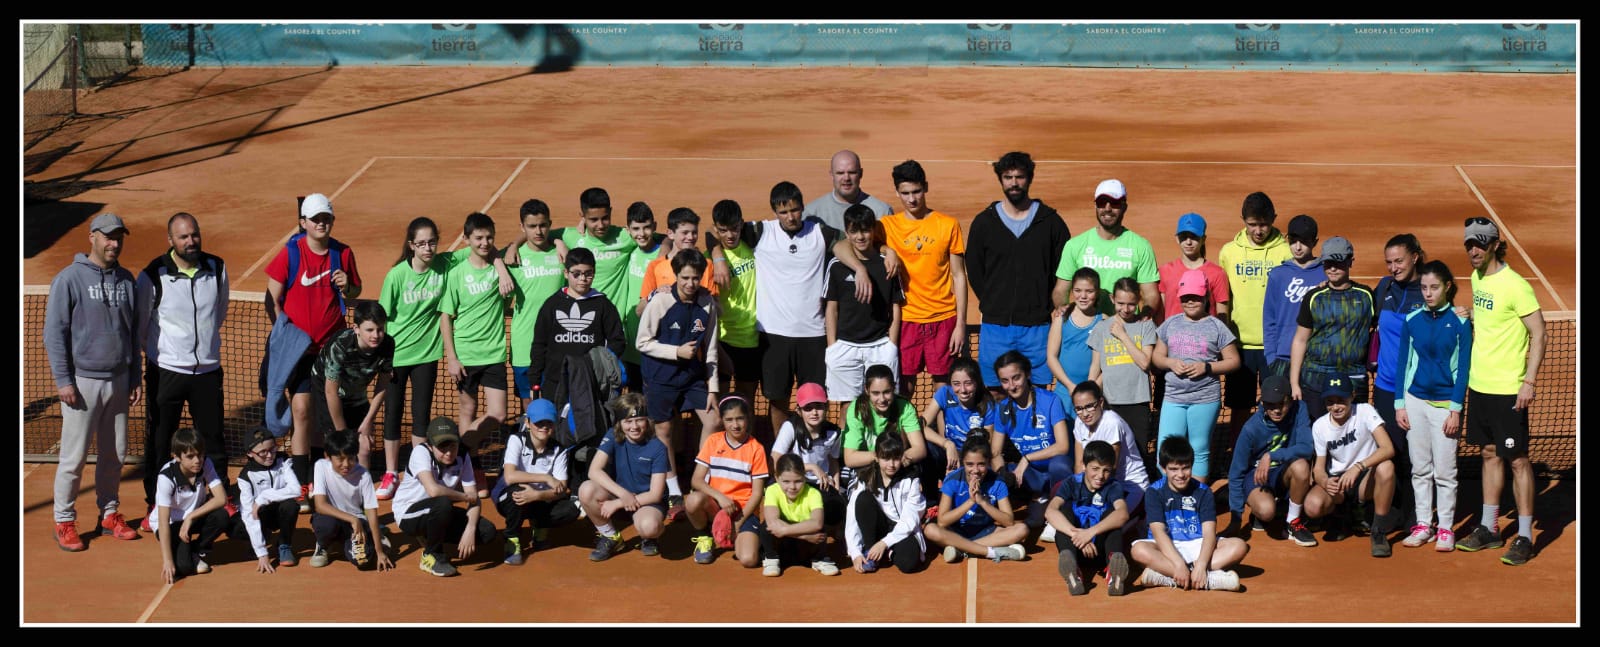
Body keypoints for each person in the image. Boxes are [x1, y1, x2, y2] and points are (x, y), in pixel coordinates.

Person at [707, 182, 877, 443]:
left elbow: (844, 244)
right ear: (775, 212)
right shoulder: (761, 231)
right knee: (778, 399)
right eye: (783, 212)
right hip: (774, 336)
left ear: (802, 207)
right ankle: (781, 451)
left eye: (795, 210)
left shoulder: (818, 231)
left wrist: (861, 268)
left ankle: (814, 449)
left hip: (814, 334)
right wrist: (718, 257)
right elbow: (715, 233)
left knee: (815, 399)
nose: (790, 217)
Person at [45, 212, 148, 551]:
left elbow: (132, 334)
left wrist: (134, 376)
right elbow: (54, 334)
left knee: (114, 454)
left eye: (118, 237)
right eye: (107, 237)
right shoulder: (69, 279)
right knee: (73, 458)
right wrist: (64, 380)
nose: (113, 243)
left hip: (118, 380)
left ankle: (109, 514)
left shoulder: (126, 280)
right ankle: (64, 520)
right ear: (92, 237)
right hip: (82, 384)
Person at [1455, 218, 1545, 566]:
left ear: (1495, 245)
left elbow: (1539, 333)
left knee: (1518, 460)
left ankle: (1524, 535)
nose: (1473, 250)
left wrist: (1529, 382)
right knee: (1489, 454)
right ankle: (1490, 528)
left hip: (1509, 389)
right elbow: (1492, 321)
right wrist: (1470, 315)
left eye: (1480, 243)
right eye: (1469, 244)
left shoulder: (1516, 286)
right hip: (1480, 385)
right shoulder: (1477, 278)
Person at [264, 194, 362, 508]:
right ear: (303, 222)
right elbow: (271, 297)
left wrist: (347, 285)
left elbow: (355, 291)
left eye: (326, 218)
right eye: (316, 219)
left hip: (331, 351)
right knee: (302, 410)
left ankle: (321, 480)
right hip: (301, 351)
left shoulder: (342, 253)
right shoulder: (291, 253)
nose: (321, 223)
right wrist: (285, 334)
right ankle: (301, 481)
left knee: (325, 415)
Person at [137, 212, 230, 531]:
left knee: (213, 438)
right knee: (160, 439)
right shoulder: (153, 274)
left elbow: (218, 312)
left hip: (207, 370)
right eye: (183, 237)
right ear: (170, 240)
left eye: (194, 234)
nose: (190, 241)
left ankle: (221, 497)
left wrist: (203, 348)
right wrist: (164, 355)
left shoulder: (217, 268)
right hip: (166, 372)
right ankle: (155, 502)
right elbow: (142, 325)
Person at [966, 151, 1070, 392]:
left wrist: (1044, 304)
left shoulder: (1051, 222)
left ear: (1029, 179)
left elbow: (1063, 270)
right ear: (1001, 180)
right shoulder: (984, 222)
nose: (1014, 183)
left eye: (1020, 177)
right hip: (996, 326)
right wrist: (993, 301)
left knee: (1039, 390)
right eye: (1008, 177)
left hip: (1038, 327)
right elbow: (974, 269)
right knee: (995, 391)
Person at [635, 247, 722, 517]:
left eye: (695, 278)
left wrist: (713, 388)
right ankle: (673, 491)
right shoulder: (660, 302)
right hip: (660, 377)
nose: (690, 284)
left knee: (713, 420)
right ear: (676, 275)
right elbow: (642, 342)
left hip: (692, 377)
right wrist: (676, 352)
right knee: (664, 431)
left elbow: (711, 348)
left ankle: (699, 480)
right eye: (685, 278)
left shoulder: (707, 303)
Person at [1393, 260, 1472, 552]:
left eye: (1434, 287)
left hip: (1445, 406)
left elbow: (1463, 370)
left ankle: (1446, 528)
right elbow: (1403, 363)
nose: (1428, 293)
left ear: (1447, 287)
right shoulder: (1412, 320)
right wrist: (1400, 404)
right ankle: (1424, 524)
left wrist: (1455, 410)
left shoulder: (1461, 323)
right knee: (1420, 468)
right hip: (1414, 401)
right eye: (1424, 288)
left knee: (1445, 472)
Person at [440, 212, 517, 491]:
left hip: (494, 353)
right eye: (478, 238)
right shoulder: (457, 274)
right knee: (467, 409)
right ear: (466, 239)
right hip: (465, 354)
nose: (485, 243)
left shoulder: (500, 271)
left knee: (498, 414)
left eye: (489, 237)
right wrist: (451, 357)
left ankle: (457, 453)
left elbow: (516, 247)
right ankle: (472, 469)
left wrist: (501, 267)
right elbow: (446, 317)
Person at [881, 159, 968, 398]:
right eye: (905, 193)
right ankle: (906, 425)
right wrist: (887, 250)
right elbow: (860, 243)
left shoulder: (948, 225)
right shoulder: (886, 226)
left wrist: (960, 324)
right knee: (904, 386)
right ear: (897, 192)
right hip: (906, 318)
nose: (912, 199)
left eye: (916, 191)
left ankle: (939, 425)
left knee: (944, 386)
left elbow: (959, 275)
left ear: (926, 187)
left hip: (943, 317)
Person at [377, 217, 450, 499]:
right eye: (421, 243)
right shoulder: (397, 275)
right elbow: (382, 317)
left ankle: (417, 472)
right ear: (411, 245)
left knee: (421, 416)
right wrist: (382, 358)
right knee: (393, 414)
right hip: (396, 355)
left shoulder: (444, 266)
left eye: (432, 242)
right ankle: (390, 473)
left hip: (427, 355)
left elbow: (475, 248)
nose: (428, 248)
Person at [1151, 269, 1241, 484]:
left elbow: (1234, 361)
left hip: (1205, 398)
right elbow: (1157, 357)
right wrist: (1170, 363)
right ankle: (1168, 493)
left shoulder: (1217, 326)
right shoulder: (1170, 324)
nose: (1190, 301)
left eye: (1196, 297)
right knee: (1165, 447)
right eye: (1186, 297)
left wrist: (1207, 367)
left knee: (1199, 448)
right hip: (1174, 397)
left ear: (1206, 296)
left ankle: (1197, 495)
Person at [1218, 192, 1292, 440]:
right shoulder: (1229, 252)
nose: (1258, 230)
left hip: (1275, 346)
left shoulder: (1285, 252)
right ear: (1243, 220)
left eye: (1264, 224)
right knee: (1239, 408)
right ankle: (1238, 452)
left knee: (1278, 406)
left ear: (1273, 219)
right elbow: (1223, 298)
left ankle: (1275, 452)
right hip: (1240, 345)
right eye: (1252, 224)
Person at [1131, 437, 1247, 592]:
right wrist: (1179, 564)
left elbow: (1209, 533)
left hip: (1197, 544)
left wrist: (1201, 564)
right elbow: (1159, 533)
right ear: (1163, 469)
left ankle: (1170, 577)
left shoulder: (1204, 492)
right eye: (1173, 469)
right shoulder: (1154, 492)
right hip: (1166, 547)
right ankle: (1207, 579)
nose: (1180, 474)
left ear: (1192, 466)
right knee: (1138, 550)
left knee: (1239, 546)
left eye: (1185, 468)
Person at [1304, 375, 1400, 557]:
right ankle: (1343, 514)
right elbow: (1318, 469)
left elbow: (1388, 448)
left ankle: (1378, 531)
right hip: (1339, 480)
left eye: (1341, 400)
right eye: (1330, 402)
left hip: (1365, 476)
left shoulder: (1365, 411)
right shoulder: (1320, 426)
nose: (1336, 407)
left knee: (1386, 467)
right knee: (1312, 506)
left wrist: (1358, 467)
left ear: (1352, 396)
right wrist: (1325, 482)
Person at [1370, 233, 1429, 527]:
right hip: (1385, 387)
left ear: (1415, 258)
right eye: (1389, 262)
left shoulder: (1429, 290)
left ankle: (1417, 512)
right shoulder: (1384, 287)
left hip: (1418, 389)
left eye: (1399, 261)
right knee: (1389, 451)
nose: (1393, 268)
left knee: (1416, 455)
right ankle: (1390, 510)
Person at [390, 417, 496, 577]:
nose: (448, 452)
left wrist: (470, 528)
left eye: (452, 446)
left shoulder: (463, 456)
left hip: (438, 510)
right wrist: (464, 497)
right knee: (443, 503)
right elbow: (434, 491)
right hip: (408, 513)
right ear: (430, 445)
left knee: (487, 532)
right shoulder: (421, 452)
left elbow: (474, 498)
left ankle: (431, 533)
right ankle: (431, 555)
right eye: (442, 447)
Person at [1289, 236, 1377, 423]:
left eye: (1338, 263)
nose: (1332, 268)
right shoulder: (1313, 296)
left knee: (1354, 434)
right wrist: (1294, 383)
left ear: (1350, 261)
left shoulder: (1366, 296)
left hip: (1354, 378)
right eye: (1328, 263)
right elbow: (1300, 340)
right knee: (1316, 432)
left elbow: (1378, 331)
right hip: (1316, 378)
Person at [987, 351, 1074, 534]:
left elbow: (1063, 446)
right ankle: (1039, 500)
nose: (1012, 386)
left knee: (1059, 464)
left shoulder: (1050, 400)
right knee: (995, 472)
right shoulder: (1002, 409)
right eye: (1005, 381)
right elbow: (995, 453)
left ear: (1027, 374)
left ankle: (1057, 511)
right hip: (1033, 476)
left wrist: (1027, 458)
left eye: (1016, 377)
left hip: (1058, 472)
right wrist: (1003, 474)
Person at [825, 204, 905, 403]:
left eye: (865, 231)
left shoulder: (888, 264)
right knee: (848, 406)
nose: (860, 237)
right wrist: (833, 346)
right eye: (854, 231)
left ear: (873, 231)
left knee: (883, 404)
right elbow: (832, 308)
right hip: (844, 346)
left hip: (880, 346)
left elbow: (895, 306)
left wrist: (891, 345)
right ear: (846, 233)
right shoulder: (836, 266)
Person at [1224, 375, 1316, 546]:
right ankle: (1263, 509)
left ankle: (1292, 522)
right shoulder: (1250, 429)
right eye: (1270, 405)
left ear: (1290, 400)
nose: (1276, 410)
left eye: (1282, 404)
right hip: (1256, 476)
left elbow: (1307, 448)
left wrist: (1271, 455)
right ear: (1263, 403)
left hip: (1284, 472)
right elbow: (1236, 474)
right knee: (1266, 511)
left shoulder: (1300, 409)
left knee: (1301, 466)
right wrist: (1236, 519)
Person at [528, 247, 626, 408]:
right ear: (566, 273)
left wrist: (600, 365)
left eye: (588, 274)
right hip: (555, 382)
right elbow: (539, 344)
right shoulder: (552, 304)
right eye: (576, 274)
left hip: (590, 383)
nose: (583, 279)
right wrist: (534, 380)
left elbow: (617, 341)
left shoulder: (603, 305)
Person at [578, 393, 670, 562]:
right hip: (620, 495)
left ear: (647, 420)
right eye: (628, 421)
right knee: (586, 489)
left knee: (650, 527)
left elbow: (655, 494)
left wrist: (618, 503)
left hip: (646, 502)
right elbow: (594, 471)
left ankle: (650, 538)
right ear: (620, 423)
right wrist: (623, 494)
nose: (634, 426)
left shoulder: (658, 447)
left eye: (639, 420)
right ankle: (611, 537)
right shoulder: (612, 435)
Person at [1052, 178, 1161, 317]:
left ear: (1124, 207)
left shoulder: (1141, 246)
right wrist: (1062, 307)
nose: (1107, 208)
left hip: (1125, 324)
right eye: (1102, 203)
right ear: (1095, 206)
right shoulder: (1074, 245)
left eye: (1114, 203)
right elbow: (1061, 290)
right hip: (1086, 325)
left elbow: (1150, 294)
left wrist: (1145, 315)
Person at [685, 395, 770, 566]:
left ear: (748, 418)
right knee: (693, 500)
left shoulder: (757, 449)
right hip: (717, 506)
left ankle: (746, 538)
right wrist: (720, 497)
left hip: (744, 511)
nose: (735, 425)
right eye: (729, 420)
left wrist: (738, 522)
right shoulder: (713, 441)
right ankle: (705, 536)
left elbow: (757, 494)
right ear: (722, 420)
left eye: (740, 418)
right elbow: (696, 480)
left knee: (748, 559)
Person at [493, 399, 580, 565]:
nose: (544, 427)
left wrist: (537, 495)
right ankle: (512, 539)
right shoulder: (516, 440)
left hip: (539, 498)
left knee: (570, 510)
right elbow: (510, 477)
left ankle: (539, 527)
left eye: (549, 423)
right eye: (539, 423)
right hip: (509, 497)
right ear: (527, 423)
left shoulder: (559, 450)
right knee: (517, 492)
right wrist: (546, 478)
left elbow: (561, 489)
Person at [501, 200, 567, 418]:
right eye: (531, 226)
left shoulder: (562, 255)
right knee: (529, 406)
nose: (538, 231)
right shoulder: (512, 259)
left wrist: (558, 241)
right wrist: (512, 247)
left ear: (550, 224)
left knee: (557, 402)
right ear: (522, 227)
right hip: (524, 346)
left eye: (543, 225)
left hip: (557, 345)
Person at [311, 301, 394, 472]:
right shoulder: (341, 345)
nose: (376, 335)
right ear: (356, 329)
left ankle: (363, 484)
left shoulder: (387, 344)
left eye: (380, 329)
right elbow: (331, 391)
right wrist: (342, 435)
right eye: (369, 330)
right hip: (327, 389)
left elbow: (383, 385)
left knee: (364, 444)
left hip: (356, 390)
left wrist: (369, 420)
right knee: (337, 445)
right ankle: (327, 481)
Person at [1086, 278, 1158, 474]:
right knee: (1107, 455)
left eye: (1131, 304)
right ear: (1112, 299)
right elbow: (1095, 367)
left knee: (1138, 453)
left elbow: (1144, 362)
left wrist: (1123, 335)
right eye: (1120, 303)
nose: (1126, 309)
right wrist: (1089, 397)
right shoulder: (1102, 327)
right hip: (1109, 402)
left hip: (1137, 401)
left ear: (1139, 301)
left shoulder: (1146, 325)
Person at [924, 435, 1029, 564]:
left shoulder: (998, 482)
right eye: (970, 464)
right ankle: (989, 552)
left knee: (1022, 529)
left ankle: (962, 549)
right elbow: (942, 521)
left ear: (988, 462)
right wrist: (971, 501)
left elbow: (1009, 521)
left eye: (981, 464)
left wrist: (982, 501)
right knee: (930, 530)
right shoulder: (952, 480)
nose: (975, 470)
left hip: (985, 532)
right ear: (963, 462)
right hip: (955, 531)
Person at [1047, 440, 1133, 596]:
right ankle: (1074, 572)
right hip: (1076, 547)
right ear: (1083, 466)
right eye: (1095, 469)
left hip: (1101, 550)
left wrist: (1090, 533)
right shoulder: (1071, 483)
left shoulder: (1113, 486)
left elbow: (1123, 514)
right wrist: (1078, 536)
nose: (1100, 476)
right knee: (1064, 511)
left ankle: (1113, 573)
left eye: (1106, 470)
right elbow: (1050, 511)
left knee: (1112, 514)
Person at [309, 429, 393, 571]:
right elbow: (320, 505)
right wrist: (353, 519)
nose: (346, 464)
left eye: (351, 458)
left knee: (363, 561)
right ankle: (323, 545)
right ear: (327, 456)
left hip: (356, 523)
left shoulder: (364, 475)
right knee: (325, 525)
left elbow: (371, 512)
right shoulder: (321, 466)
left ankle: (366, 538)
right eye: (340, 459)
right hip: (333, 518)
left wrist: (379, 551)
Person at [845, 431, 927, 574]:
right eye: (885, 458)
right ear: (876, 457)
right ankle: (870, 550)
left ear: (902, 457)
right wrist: (855, 552)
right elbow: (852, 514)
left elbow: (911, 518)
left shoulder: (911, 478)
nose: (891, 464)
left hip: (901, 528)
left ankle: (887, 552)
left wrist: (884, 543)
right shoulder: (865, 477)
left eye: (896, 458)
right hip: (878, 526)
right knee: (863, 499)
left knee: (908, 563)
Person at [154, 429, 230, 582]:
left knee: (221, 516)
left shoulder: (206, 463)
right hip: (171, 524)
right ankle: (185, 554)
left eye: (200, 454)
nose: (197, 460)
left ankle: (197, 550)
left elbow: (221, 498)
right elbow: (163, 523)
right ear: (176, 457)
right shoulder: (166, 477)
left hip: (193, 518)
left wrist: (190, 517)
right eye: (190, 456)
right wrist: (168, 561)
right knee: (184, 568)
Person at [706, 200, 762, 405]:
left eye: (734, 228)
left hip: (751, 338)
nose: (730, 235)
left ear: (742, 224)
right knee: (719, 402)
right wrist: (717, 257)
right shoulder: (708, 260)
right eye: (723, 230)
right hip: (722, 339)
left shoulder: (755, 248)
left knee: (746, 402)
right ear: (716, 229)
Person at [769, 383, 846, 526]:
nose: (814, 412)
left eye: (819, 407)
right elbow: (776, 461)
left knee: (836, 509)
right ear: (799, 411)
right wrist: (811, 467)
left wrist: (836, 487)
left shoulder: (834, 433)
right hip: (793, 480)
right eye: (808, 408)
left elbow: (833, 461)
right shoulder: (790, 427)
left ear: (826, 407)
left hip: (819, 484)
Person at [1068, 381, 1151, 515]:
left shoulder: (1112, 423)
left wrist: (1090, 497)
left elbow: (1111, 469)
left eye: (1089, 406)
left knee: (1107, 522)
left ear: (1101, 402)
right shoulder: (1079, 422)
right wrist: (1079, 493)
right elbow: (1079, 464)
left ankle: (1139, 516)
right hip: (1096, 483)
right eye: (1079, 409)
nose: (1085, 414)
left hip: (1129, 486)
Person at [841, 365, 928, 488]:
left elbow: (920, 449)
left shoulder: (905, 407)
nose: (882, 399)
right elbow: (850, 458)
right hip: (867, 465)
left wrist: (893, 461)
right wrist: (884, 458)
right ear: (867, 390)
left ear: (893, 388)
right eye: (875, 393)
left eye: (887, 392)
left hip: (894, 464)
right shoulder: (857, 410)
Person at [756, 453, 841, 577]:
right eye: (786, 481)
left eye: (798, 481)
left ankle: (819, 559)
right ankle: (772, 559)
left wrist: (785, 530)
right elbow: (772, 522)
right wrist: (804, 536)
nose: (792, 487)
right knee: (766, 527)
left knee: (820, 529)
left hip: (804, 549)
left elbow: (816, 523)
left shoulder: (813, 493)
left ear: (805, 478)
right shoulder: (772, 490)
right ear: (777, 478)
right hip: (784, 546)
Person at [1261, 214, 1322, 378]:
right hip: (1283, 358)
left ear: (1315, 242)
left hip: (1315, 359)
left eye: (1304, 242)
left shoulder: (1325, 273)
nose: (1298, 247)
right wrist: (1271, 357)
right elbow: (1269, 319)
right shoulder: (1277, 275)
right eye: (1293, 241)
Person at [236, 429, 302, 572]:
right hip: (260, 516)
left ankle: (284, 545)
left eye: (272, 449)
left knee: (291, 505)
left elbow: (296, 490)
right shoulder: (245, 476)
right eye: (263, 452)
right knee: (237, 525)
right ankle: (262, 537)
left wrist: (264, 497)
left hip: (280, 512)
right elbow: (249, 514)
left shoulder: (283, 461)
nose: (270, 455)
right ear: (250, 453)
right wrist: (262, 552)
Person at [619, 201, 666, 391]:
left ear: (654, 226)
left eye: (646, 227)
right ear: (628, 230)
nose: (642, 233)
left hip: (654, 340)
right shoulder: (629, 251)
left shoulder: (663, 255)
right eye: (636, 229)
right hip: (630, 342)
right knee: (634, 393)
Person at [919, 358, 993, 475]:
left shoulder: (987, 404)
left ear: (977, 382)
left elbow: (987, 445)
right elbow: (920, 426)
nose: (963, 390)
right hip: (949, 453)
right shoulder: (945, 393)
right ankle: (930, 488)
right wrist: (947, 444)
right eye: (956, 384)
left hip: (973, 460)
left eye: (968, 383)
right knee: (926, 448)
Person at [1046, 267, 1102, 417]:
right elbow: (1051, 356)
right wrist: (1070, 386)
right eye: (1077, 290)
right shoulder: (1061, 318)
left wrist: (1092, 387)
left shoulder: (1103, 320)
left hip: (1092, 393)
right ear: (1072, 291)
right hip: (1064, 392)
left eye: (1089, 291)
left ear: (1097, 292)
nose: (1083, 296)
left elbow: (1105, 361)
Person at [1156, 213, 1231, 324]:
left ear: (1203, 239)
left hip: (1206, 334)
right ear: (1177, 239)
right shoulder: (1165, 271)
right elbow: (1160, 314)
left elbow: (1222, 316)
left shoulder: (1217, 273)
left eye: (1194, 236)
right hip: (1172, 334)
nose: (1188, 242)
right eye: (1184, 237)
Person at [802, 149, 894, 231]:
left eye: (852, 172)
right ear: (831, 175)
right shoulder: (812, 213)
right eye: (840, 173)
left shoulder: (881, 212)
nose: (846, 178)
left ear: (861, 174)